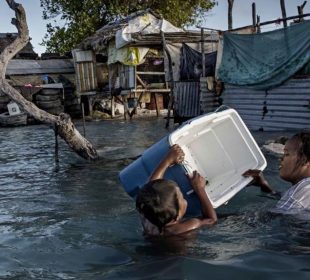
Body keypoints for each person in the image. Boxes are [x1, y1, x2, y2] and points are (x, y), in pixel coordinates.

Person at [136, 144, 217, 236]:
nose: (185, 199)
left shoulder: (148, 219)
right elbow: (212, 220)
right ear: (178, 215)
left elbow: (151, 187)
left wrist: (167, 160)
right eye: (182, 198)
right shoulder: (187, 227)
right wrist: (199, 189)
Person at [243, 132, 310, 213]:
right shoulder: (304, 189)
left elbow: (268, 218)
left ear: (306, 161)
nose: (281, 158)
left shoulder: (300, 193)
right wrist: (265, 186)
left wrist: (224, 218)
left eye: (286, 154)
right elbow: (286, 200)